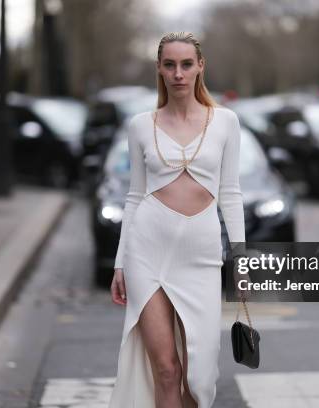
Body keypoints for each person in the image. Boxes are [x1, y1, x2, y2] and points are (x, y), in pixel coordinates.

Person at [109, 32, 246, 407]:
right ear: (159, 69)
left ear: (200, 66)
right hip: (146, 252)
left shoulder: (225, 122)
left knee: (199, 376)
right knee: (166, 369)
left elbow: (231, 194)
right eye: (169, 64)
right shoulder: (140, 124)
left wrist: (241, 258)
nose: (178, 73)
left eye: (186, 64)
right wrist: (121, 262)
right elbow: (135, 196)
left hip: (200, 256)